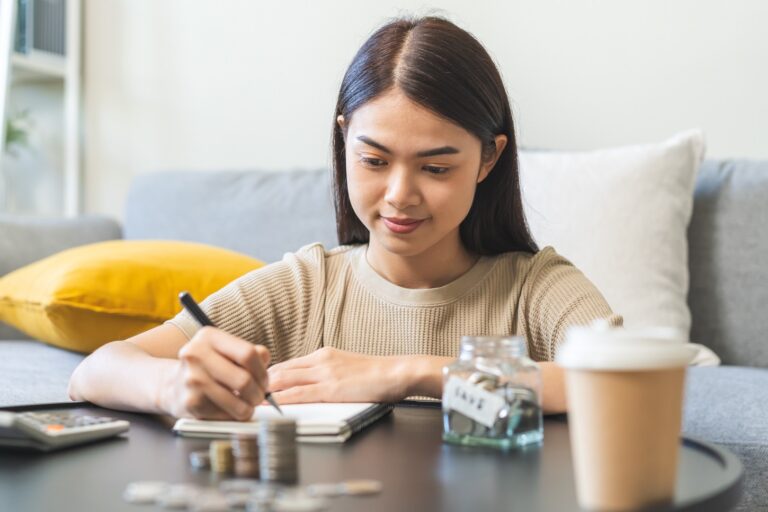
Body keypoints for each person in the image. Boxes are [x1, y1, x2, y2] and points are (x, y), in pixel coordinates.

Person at [68, 16, 621, 420]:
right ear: (343, 141)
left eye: (435, 167)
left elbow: (629, 382)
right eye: (375, 161)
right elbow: (95, 370)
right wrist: (171, 386)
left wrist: (410, 374)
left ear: (489, 159)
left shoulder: (533, 288)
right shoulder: (307, 287)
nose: (400, 195)